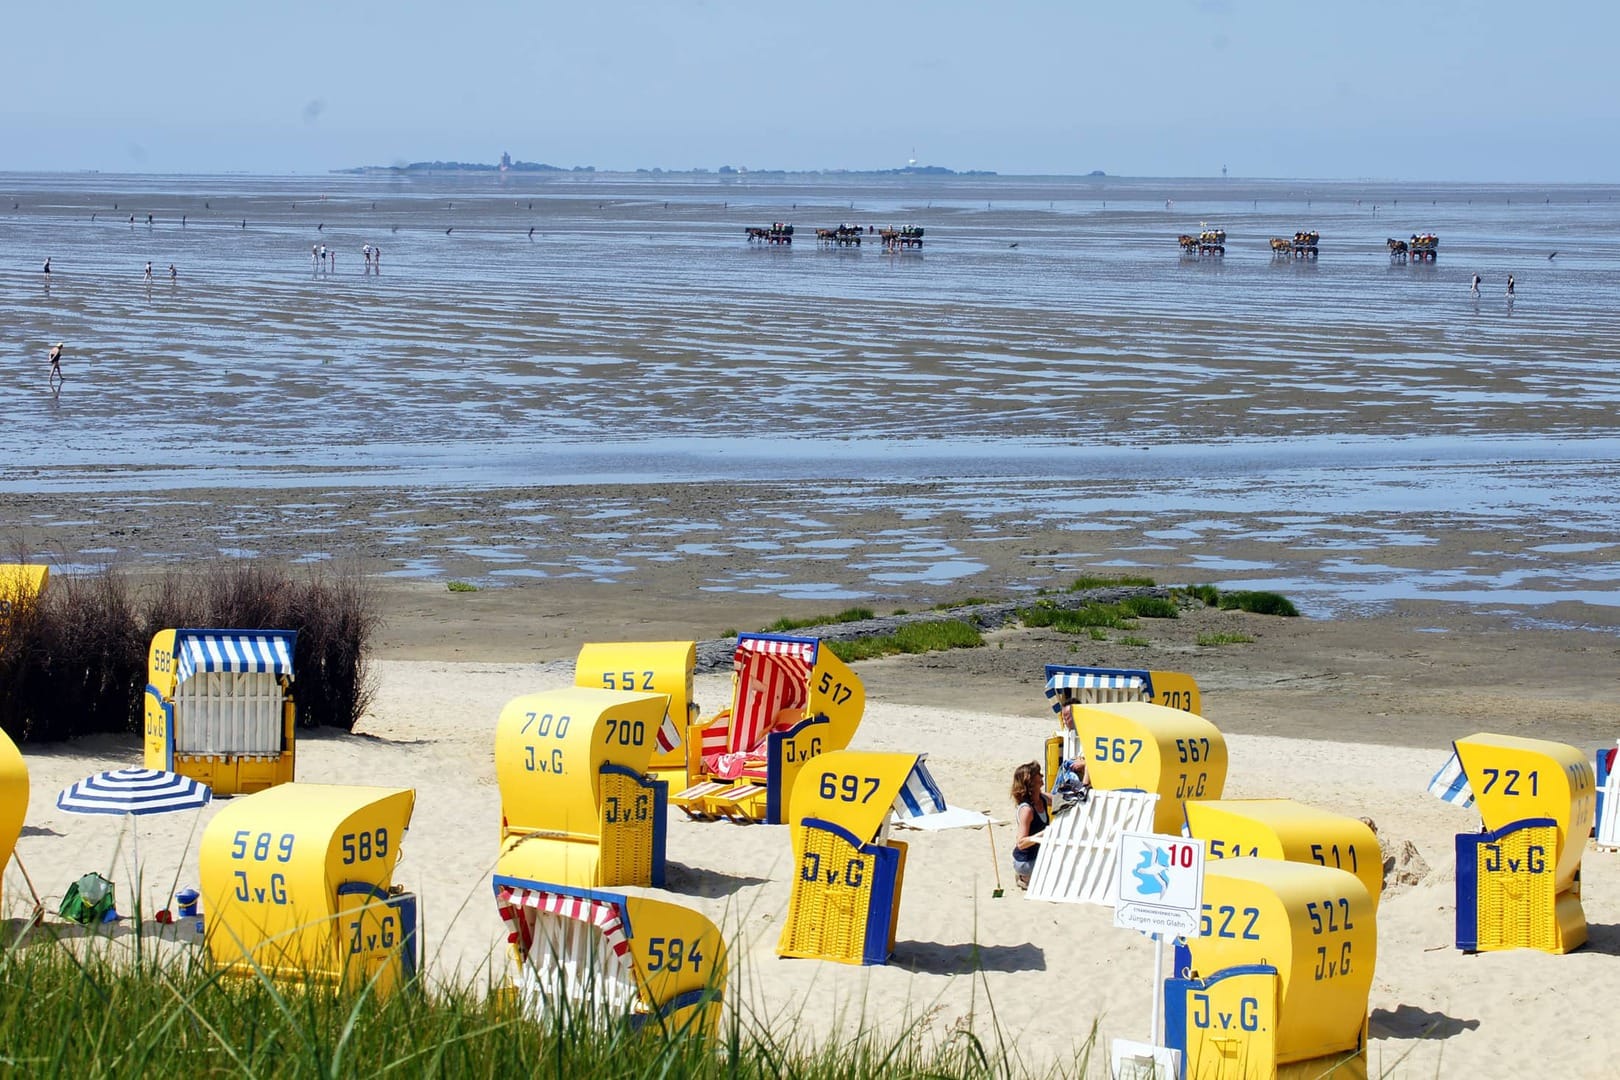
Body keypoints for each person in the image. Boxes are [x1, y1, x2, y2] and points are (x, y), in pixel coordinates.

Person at [1010, 761, 1050, 889]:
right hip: (1026, 860)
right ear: (1031, 782)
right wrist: (1044, 834)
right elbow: (1021, 843)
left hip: (1038, 854)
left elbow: (1060, 800)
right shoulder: (1027, 810)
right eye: (1038, 774)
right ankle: (1024, 877)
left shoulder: (1042, 798)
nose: (1042, 776)